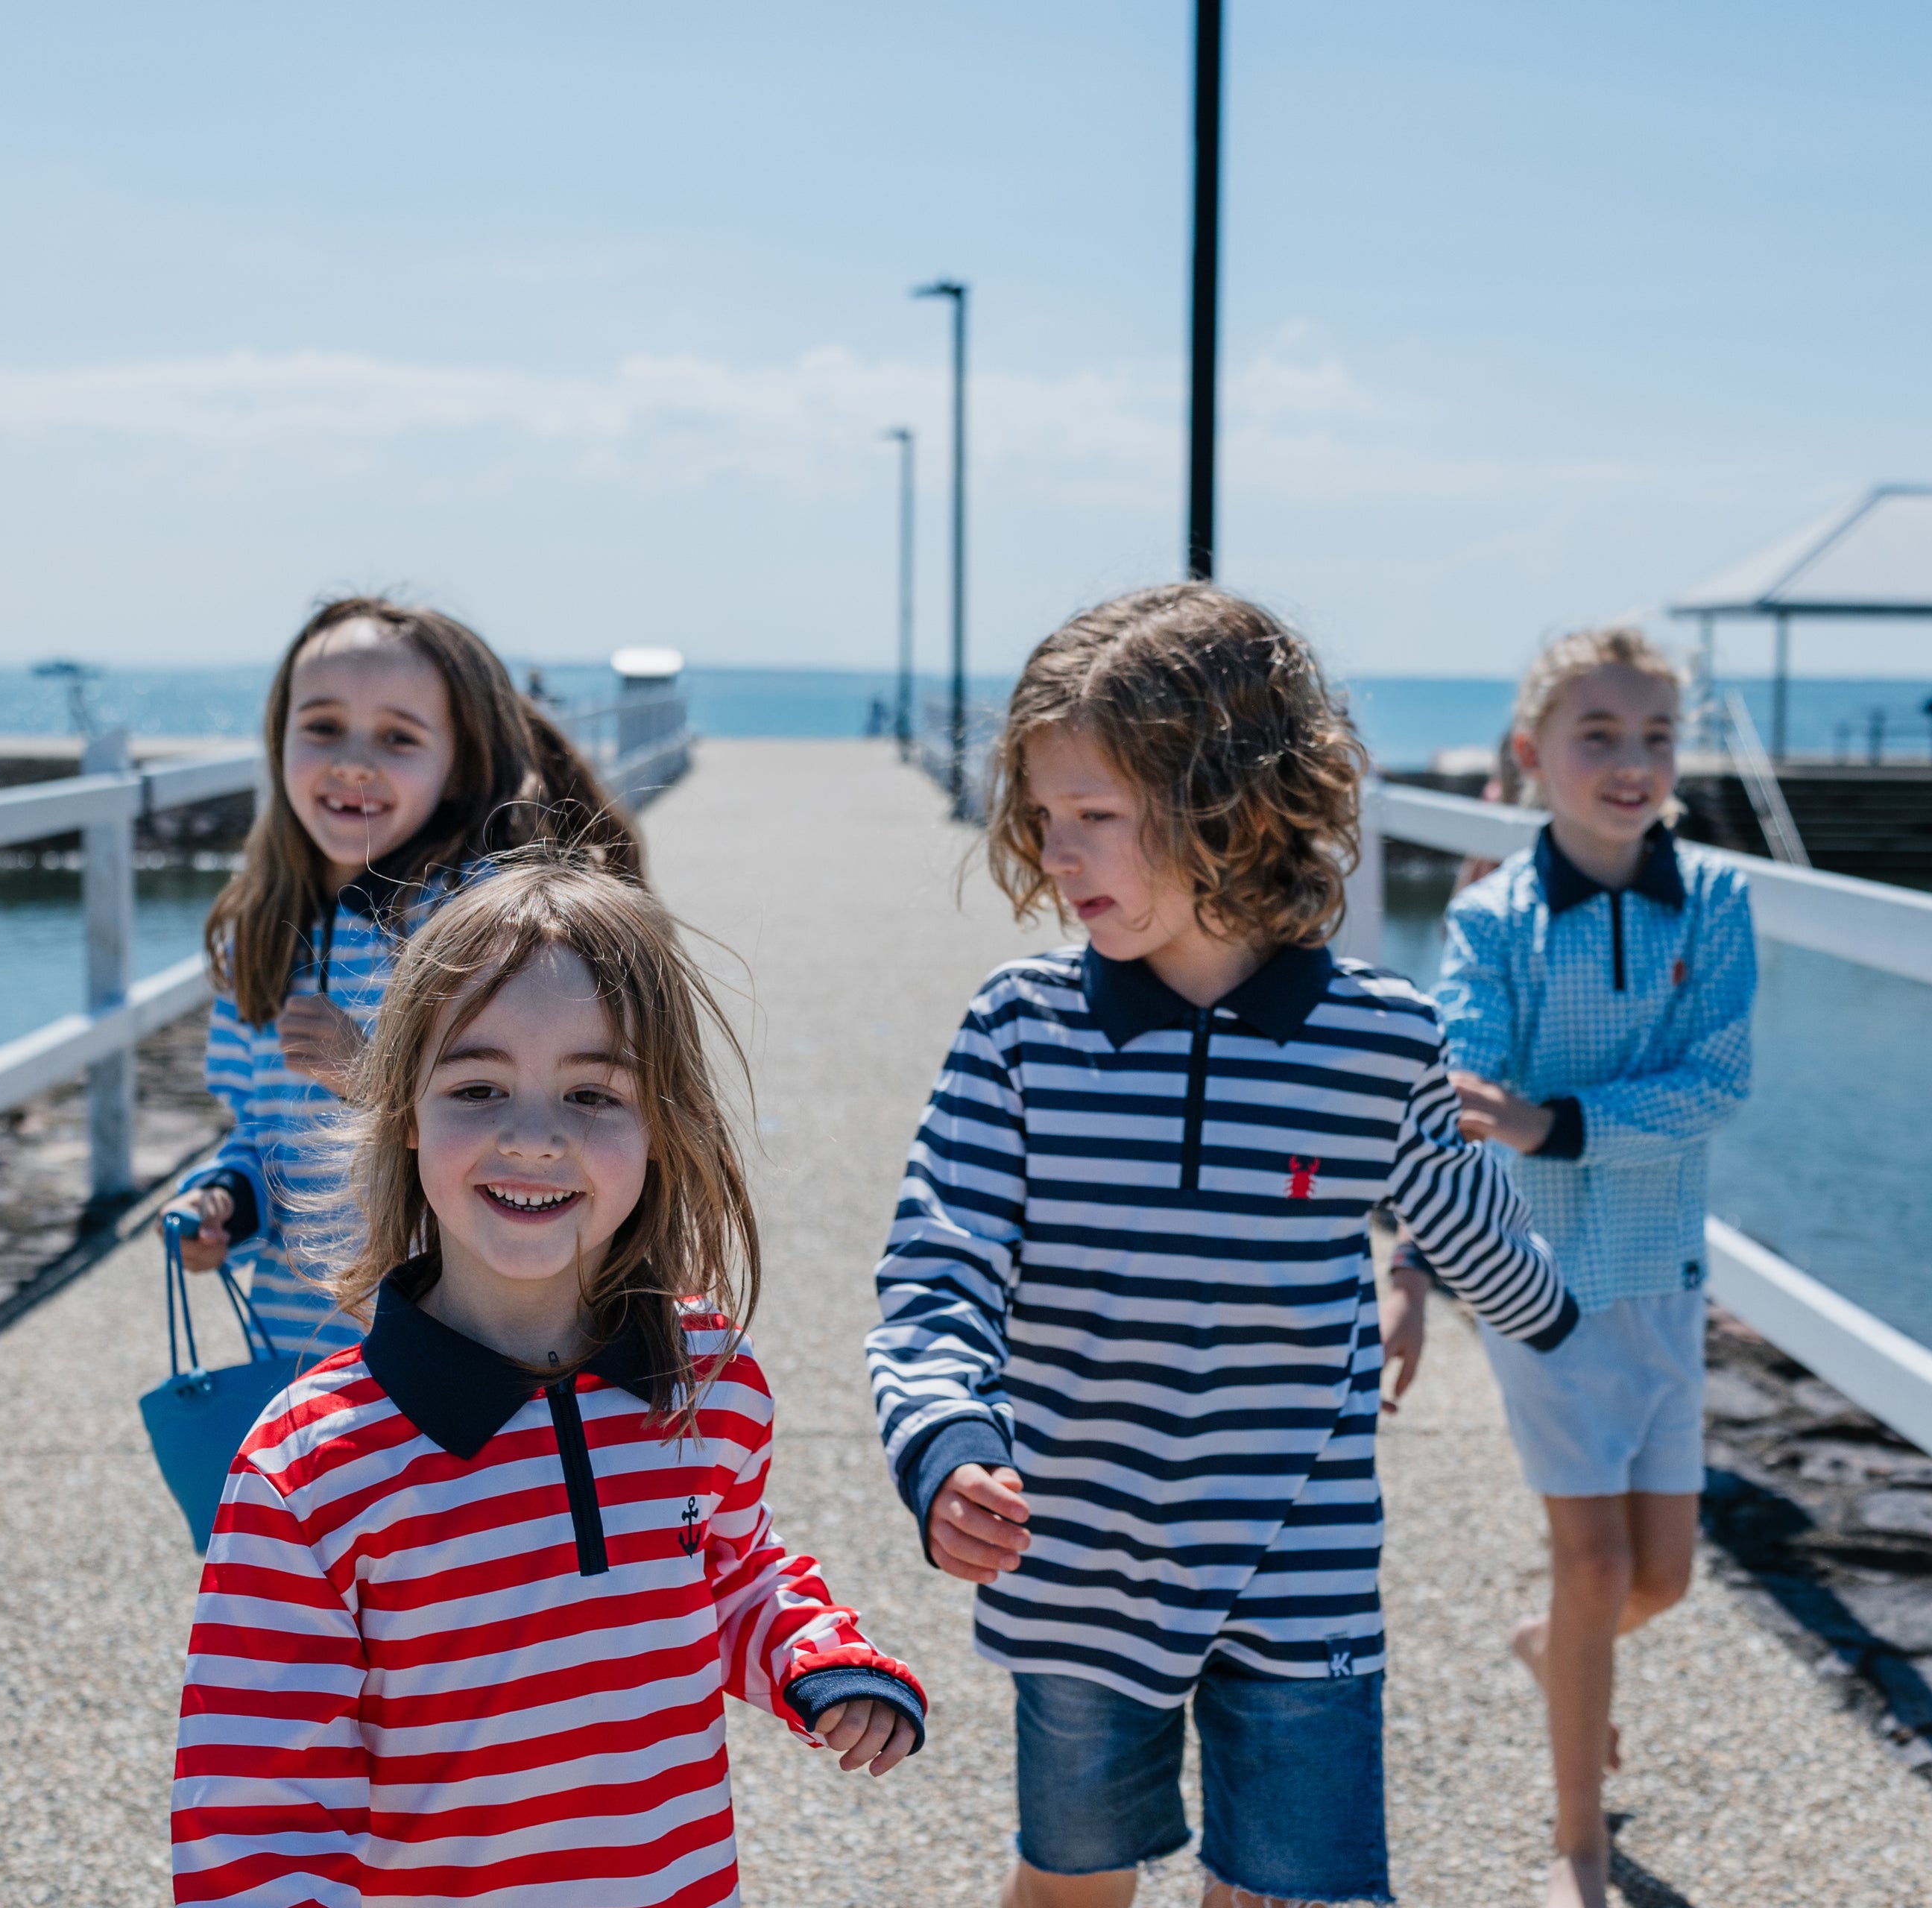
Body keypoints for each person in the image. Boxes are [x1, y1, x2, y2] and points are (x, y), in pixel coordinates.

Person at [865, 582, 1575, 1908]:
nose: (1058, 853)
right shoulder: (1020, 1033)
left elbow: (1466, 1224)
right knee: (1072, 1880)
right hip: (1072, 1548)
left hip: (1298, 1556)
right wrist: (947, 1445)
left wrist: (1559, 1319)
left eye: (1097, 817)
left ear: (1230, 804)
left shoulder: (1376, 1040)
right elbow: (938, 1269)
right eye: (1043, 818)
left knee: (1291, 1893)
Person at [173, 856, 925, 1907]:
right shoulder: (309, 1468)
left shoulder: (709, 1382)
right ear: (403, 1113)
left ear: (663, 1126)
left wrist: (811, 1656)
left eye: (592, 1092)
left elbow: (726, 1571)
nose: (535, 1136)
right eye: (478, 1088)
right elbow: (255, 1815)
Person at [1431, 624, 1755, 1908]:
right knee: (1597, 1566)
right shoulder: (1491, 917)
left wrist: (1556, 1118)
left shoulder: (1718, 901)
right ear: (1532, 757)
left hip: (1666, 1278)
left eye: (1657, 736)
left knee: (1663, 1577)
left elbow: (1717, 1082)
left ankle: (1553, 1653)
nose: (1632, 763)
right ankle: (1577, 1843)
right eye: (1599, 735)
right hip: (1546, 1286)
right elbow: (1469, 1076)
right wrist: (1527, 1117)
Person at [162, 596, 640, 1353]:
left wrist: (368, 1075)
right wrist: (227, 1201)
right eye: (322, 727)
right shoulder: (257, 934)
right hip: (295, 1348)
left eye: (398, 737)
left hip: (457, 1346)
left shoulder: (485, 924)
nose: (354, 759)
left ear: (459, 767)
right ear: (278, 740)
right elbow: (261, 1133)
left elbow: (531, 1115)